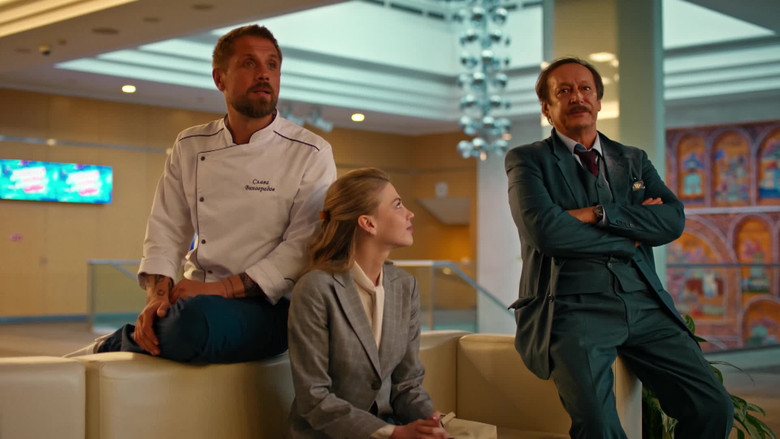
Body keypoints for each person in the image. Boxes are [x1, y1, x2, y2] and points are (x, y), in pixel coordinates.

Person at [67, 25, 336, 363]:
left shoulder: (311, 151)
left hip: (270, 306)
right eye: (249, 63)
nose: (264, 74)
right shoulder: (191, 144)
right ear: (219, 78)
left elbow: (302, 246)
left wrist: (219, 290)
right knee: (187, 318)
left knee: (194, 324)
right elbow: (166, 228)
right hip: (196, 293)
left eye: (272, 65)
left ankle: (114, 344)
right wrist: (157, 297)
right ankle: (152, 327)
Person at [504, 57, 733, 438]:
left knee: (712, 407)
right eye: (564, 91)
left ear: (598, 100)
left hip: (644, 303)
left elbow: (672, 220)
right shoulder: (528, 160)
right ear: (547, 107)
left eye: (585, 89)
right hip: (573, 307)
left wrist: (596, 214)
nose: (577, 97)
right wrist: (632, 233)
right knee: (598, 426)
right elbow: (546, 233)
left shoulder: (632, 159)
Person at [287, 168, 448, 439]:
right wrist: (392, 433)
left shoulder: (405, 286)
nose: (410, 214)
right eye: (398, 205)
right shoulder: (315, 289)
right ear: (368, 223)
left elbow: (407, 386)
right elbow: (314, 398)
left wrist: (432, 422)